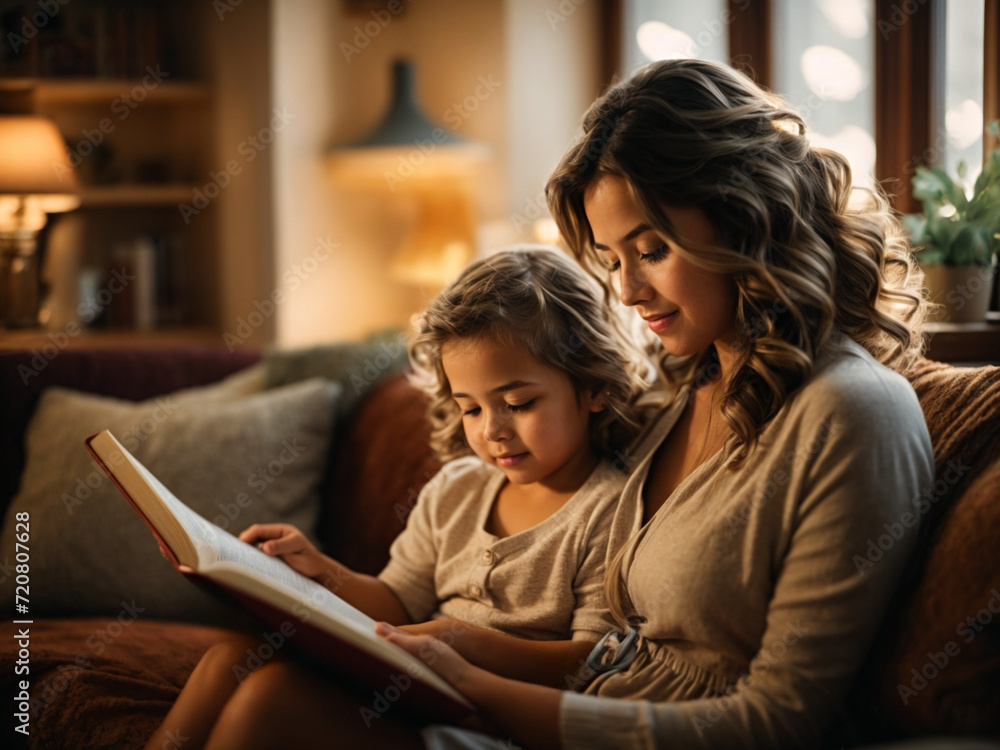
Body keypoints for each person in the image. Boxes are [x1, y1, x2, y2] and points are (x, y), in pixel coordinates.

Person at [150, 58, 936, 750]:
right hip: (559, 711)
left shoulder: (854, 414)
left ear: (745, 216)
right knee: (244, 664)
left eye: (652, 251)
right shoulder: (677, 392)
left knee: (276, 705)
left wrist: (480, 686)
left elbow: (778, 723)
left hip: (605, 732)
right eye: (613, 259)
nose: (626, 292)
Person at [143, 246, 648, 750]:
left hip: (496, 720)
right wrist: (319, 570)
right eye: (470, 409)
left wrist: (467, 644)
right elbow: (395, 602)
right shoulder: (456, 491)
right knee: (227, 660)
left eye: (518, 403)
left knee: (270, 698)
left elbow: (590, 662)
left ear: (593, 387)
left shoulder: (609, 511)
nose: (493, 430)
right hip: (412, 690)